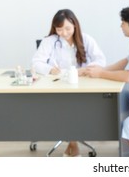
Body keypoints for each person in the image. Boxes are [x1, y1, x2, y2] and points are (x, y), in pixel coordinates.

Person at [82, 6, 129, 157]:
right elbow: (126, 62)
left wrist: (100, 73)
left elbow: (128, 76)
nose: (120, 26)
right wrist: (101, 70)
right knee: (126, 115)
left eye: (123, 23)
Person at [32, 9, 106, 157]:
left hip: (83, 86)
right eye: (59, 29)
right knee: (67, 106)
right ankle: (73, 143)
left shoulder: (86, 39)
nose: (64, 33)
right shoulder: (50, 41)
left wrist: (86, 70)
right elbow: (36, 63)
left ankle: (72, 143)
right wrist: (50, 69)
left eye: (67, 28)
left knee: (76, 106)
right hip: (57, 85)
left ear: (75, 25)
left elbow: (101, 61)